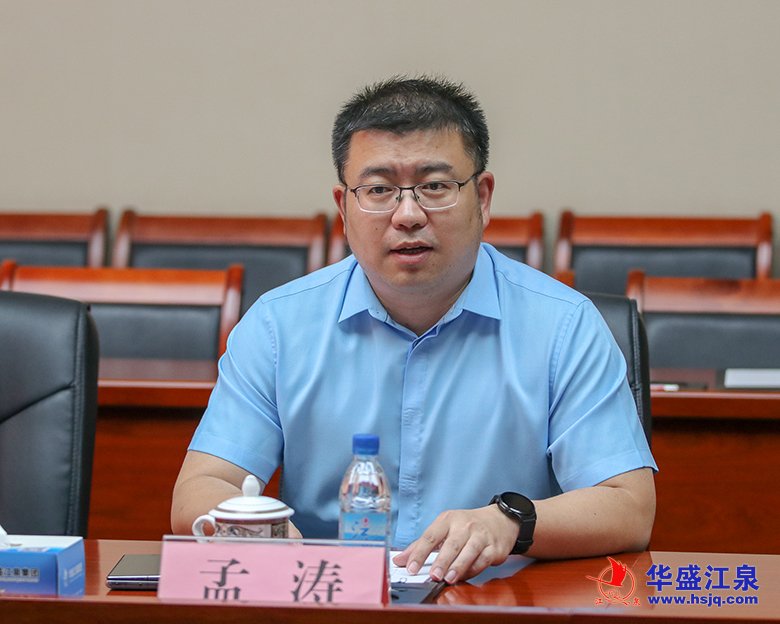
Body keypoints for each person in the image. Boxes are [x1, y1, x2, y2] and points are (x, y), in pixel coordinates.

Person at [171, 75, 657, 584]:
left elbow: (628, 507)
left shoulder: (564, 325)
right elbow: (201, 487)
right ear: (343, 207)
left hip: (496, 604)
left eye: (435, 187)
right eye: (379, 190)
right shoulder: (278, 326)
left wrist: (508, 522)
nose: (407, 214)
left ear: (483, 197)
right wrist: (256, 533)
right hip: (329, 600)